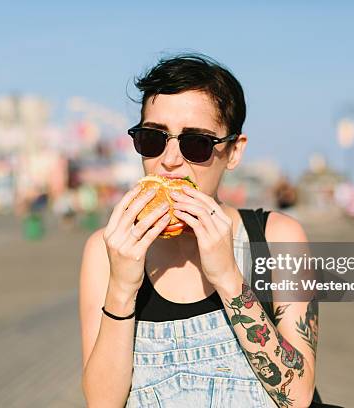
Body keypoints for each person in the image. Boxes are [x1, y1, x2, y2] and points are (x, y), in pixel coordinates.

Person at [80, 54, 325, 407]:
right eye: (153, 138)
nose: (169, 160)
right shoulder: (105, 249)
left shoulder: (276, 239)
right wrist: (121, 287)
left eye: (196, 143)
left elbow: (297, 397)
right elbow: (102, 403)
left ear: (234, 152)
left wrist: (227, 276)